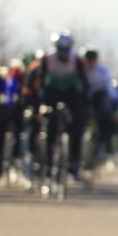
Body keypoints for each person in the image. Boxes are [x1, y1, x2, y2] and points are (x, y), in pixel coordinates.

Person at [38, 32, 90, 180]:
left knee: (76, 127)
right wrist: (42, 103)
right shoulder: (47, 58)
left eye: (66, 49)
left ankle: (73, 164)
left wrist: (85, 103)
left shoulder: (76, 59)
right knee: (50, 129)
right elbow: (41, 81)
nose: (63, 52)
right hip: (52, 93)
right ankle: (48, 167)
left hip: (70, 93)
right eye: (60, 48)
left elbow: (83, 81)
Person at [81, 47, 118, 168]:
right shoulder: (80, 69)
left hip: (100, 97)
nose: (90, 63)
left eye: (93, 60)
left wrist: (113, 103)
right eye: (88, 60)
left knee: (106, 118)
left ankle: (103, 148)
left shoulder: (102, 70)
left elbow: (108, 87)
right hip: (84, 97)